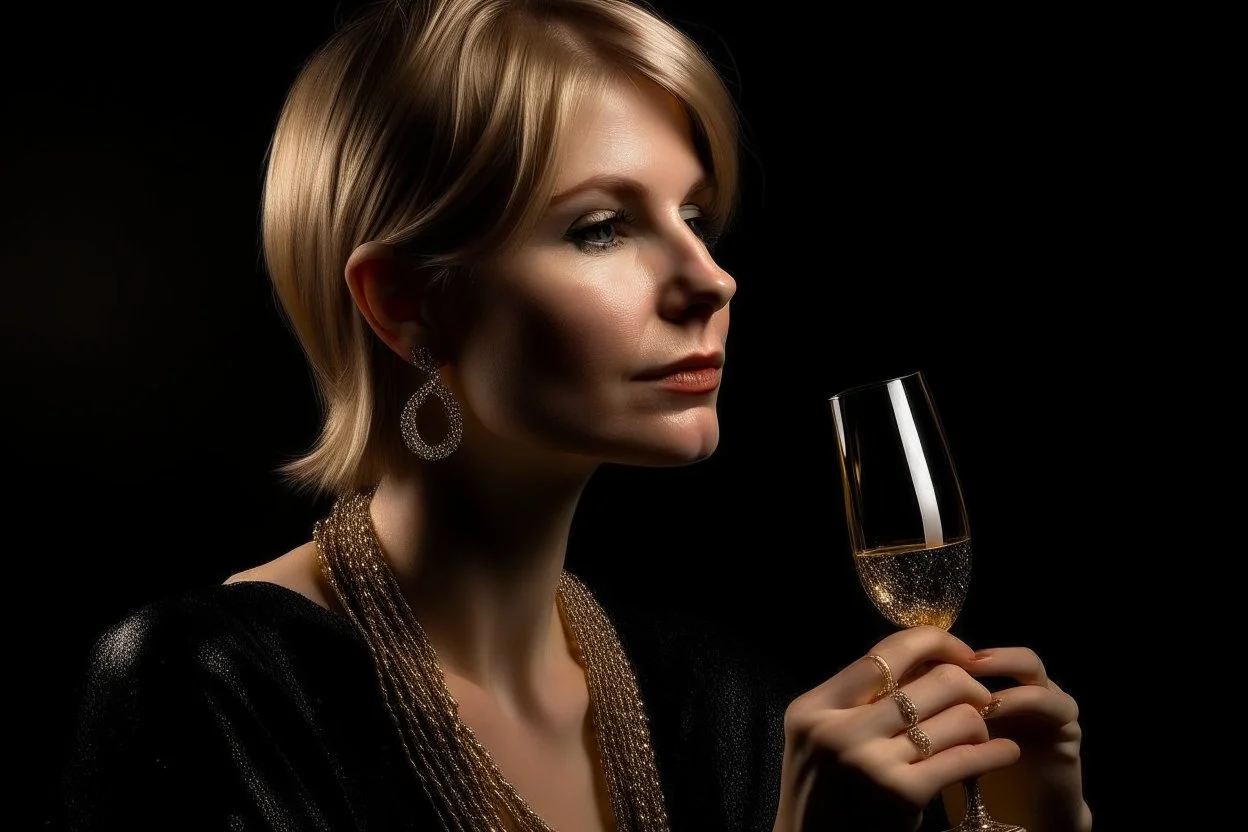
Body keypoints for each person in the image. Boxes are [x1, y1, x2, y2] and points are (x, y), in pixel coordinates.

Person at [54, 0, 1092, 829]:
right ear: (409, 304)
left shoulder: (724, 704)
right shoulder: (212, 690)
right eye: (601, 228)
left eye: (691, 217)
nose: (711, 279)